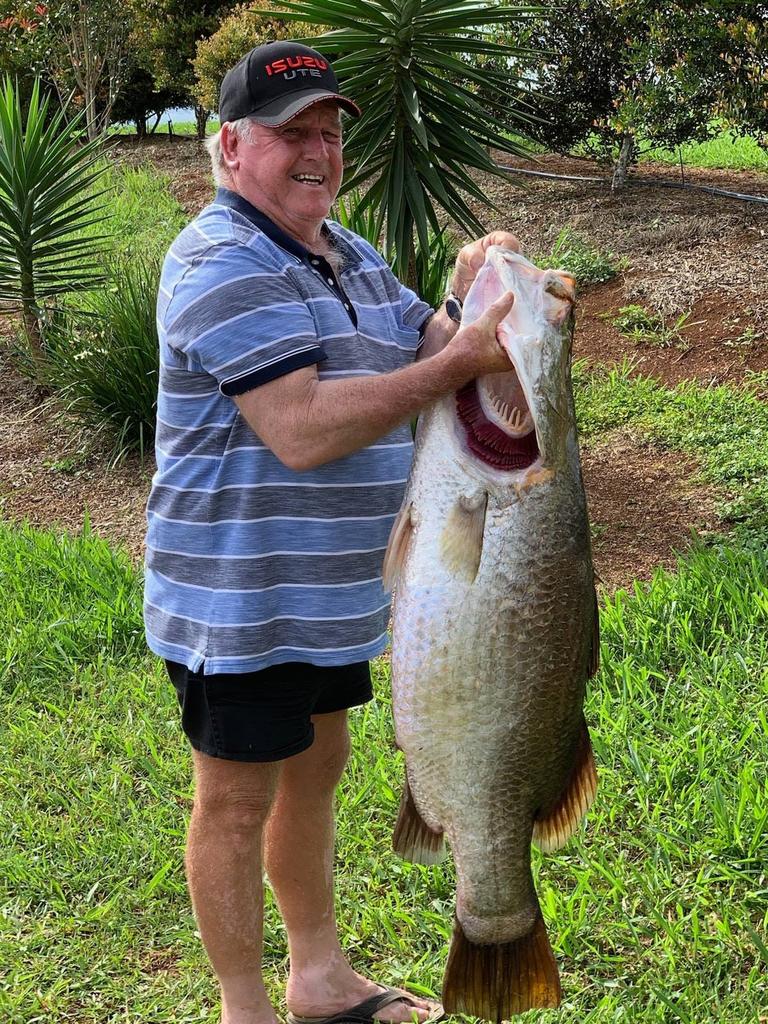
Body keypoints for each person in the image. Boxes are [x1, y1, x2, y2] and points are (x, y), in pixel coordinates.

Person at [144, 39, 520, 1024]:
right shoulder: (221, 262)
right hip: (242, 600)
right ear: (230, 147)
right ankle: (246, 1009)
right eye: (289, 134)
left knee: (314, 774)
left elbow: (426, 341)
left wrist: (470, 298)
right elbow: (302, 427)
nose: (317, 151)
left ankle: (318, 979)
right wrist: (454, 365)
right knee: (233, 803)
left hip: (330, 597)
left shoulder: (340, 249)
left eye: (328, 133)